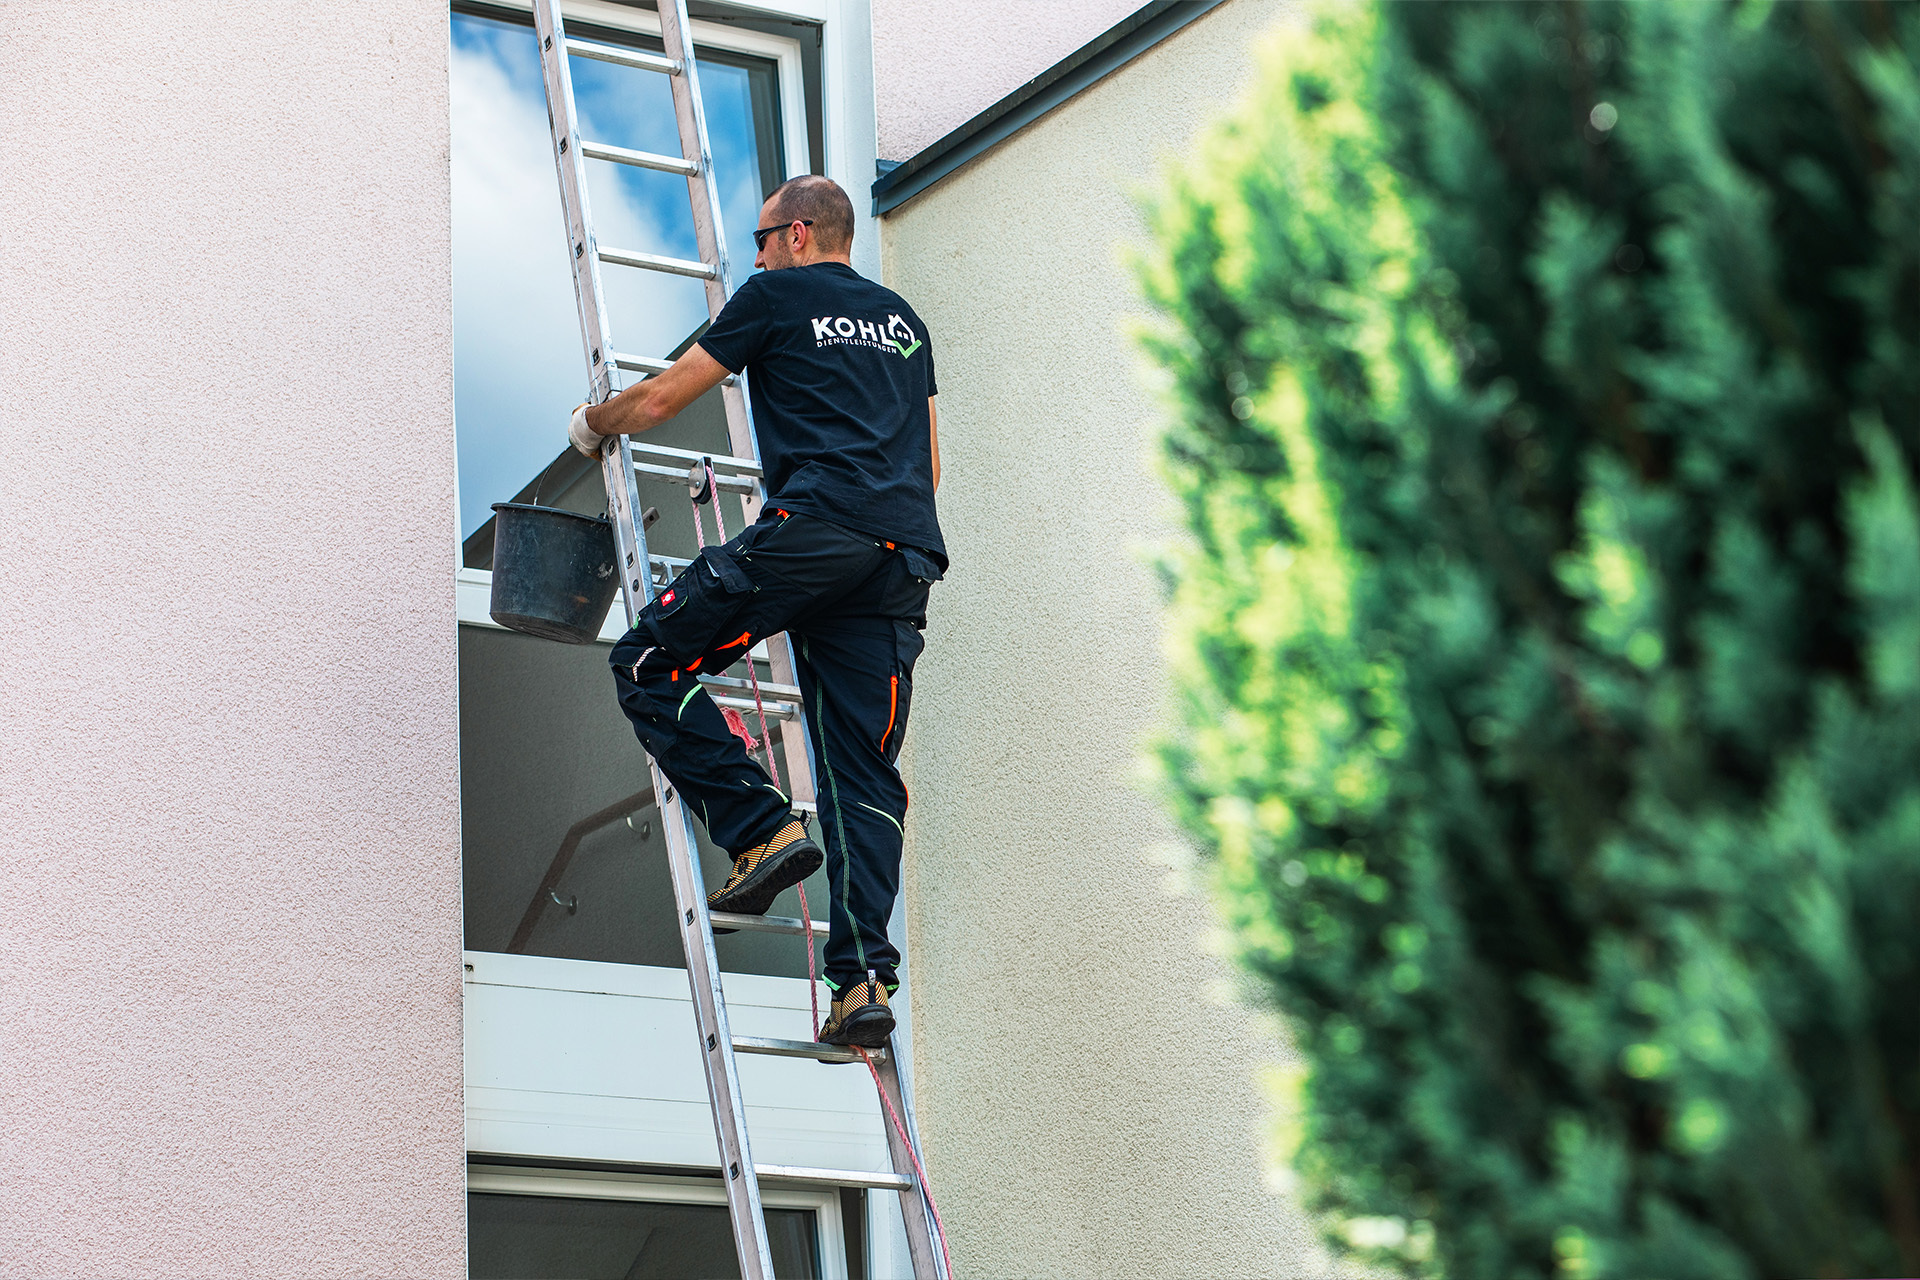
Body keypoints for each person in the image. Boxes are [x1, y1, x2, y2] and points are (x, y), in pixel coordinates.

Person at [566, 175, 943, 1049]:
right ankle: (861, 987)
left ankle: (760, 828)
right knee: (863, 776)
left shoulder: (775, 294)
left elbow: (660, 401)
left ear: (801, 234)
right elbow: (926, 462)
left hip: (815, 533)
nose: (759, 251)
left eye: (765, 236)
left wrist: (591, 423)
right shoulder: (904, 325)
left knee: (647, 661)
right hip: (901, 561)